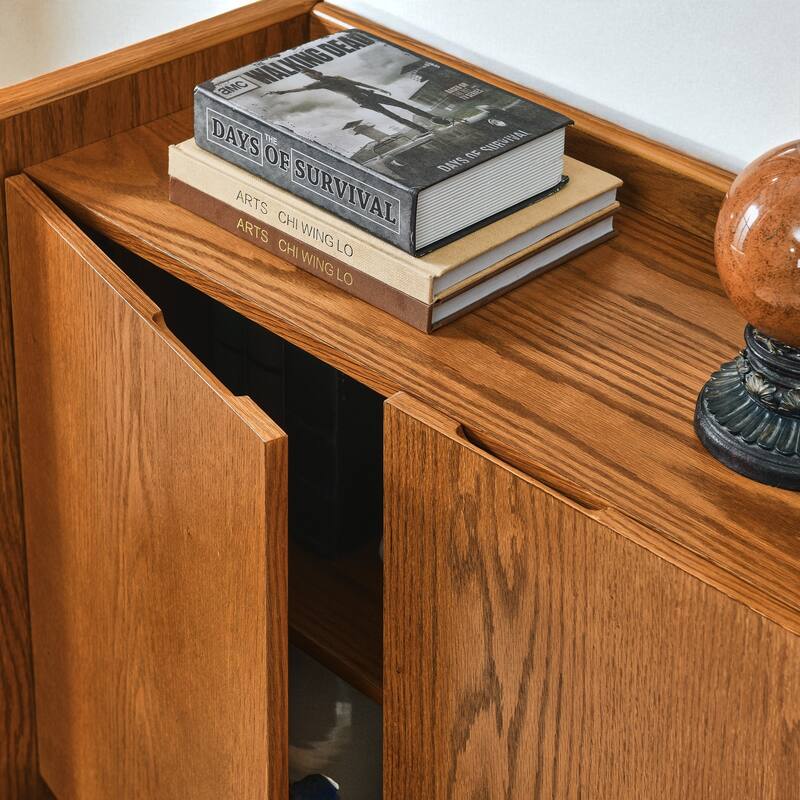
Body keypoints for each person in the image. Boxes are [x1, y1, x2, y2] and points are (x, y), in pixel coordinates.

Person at [266, 68, 449, 133]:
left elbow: (357, 82)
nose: (312, 77)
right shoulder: (318, 85)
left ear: (316, 72)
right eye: (309, 76)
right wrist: (281, 92)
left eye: (311, 74)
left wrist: (379, 88)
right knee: (392, 115)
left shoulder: (336, 77)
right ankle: (422, 129)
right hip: (362, 100)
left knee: (404, 105)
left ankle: (434, 119)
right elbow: (299, 89)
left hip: (370, 94)